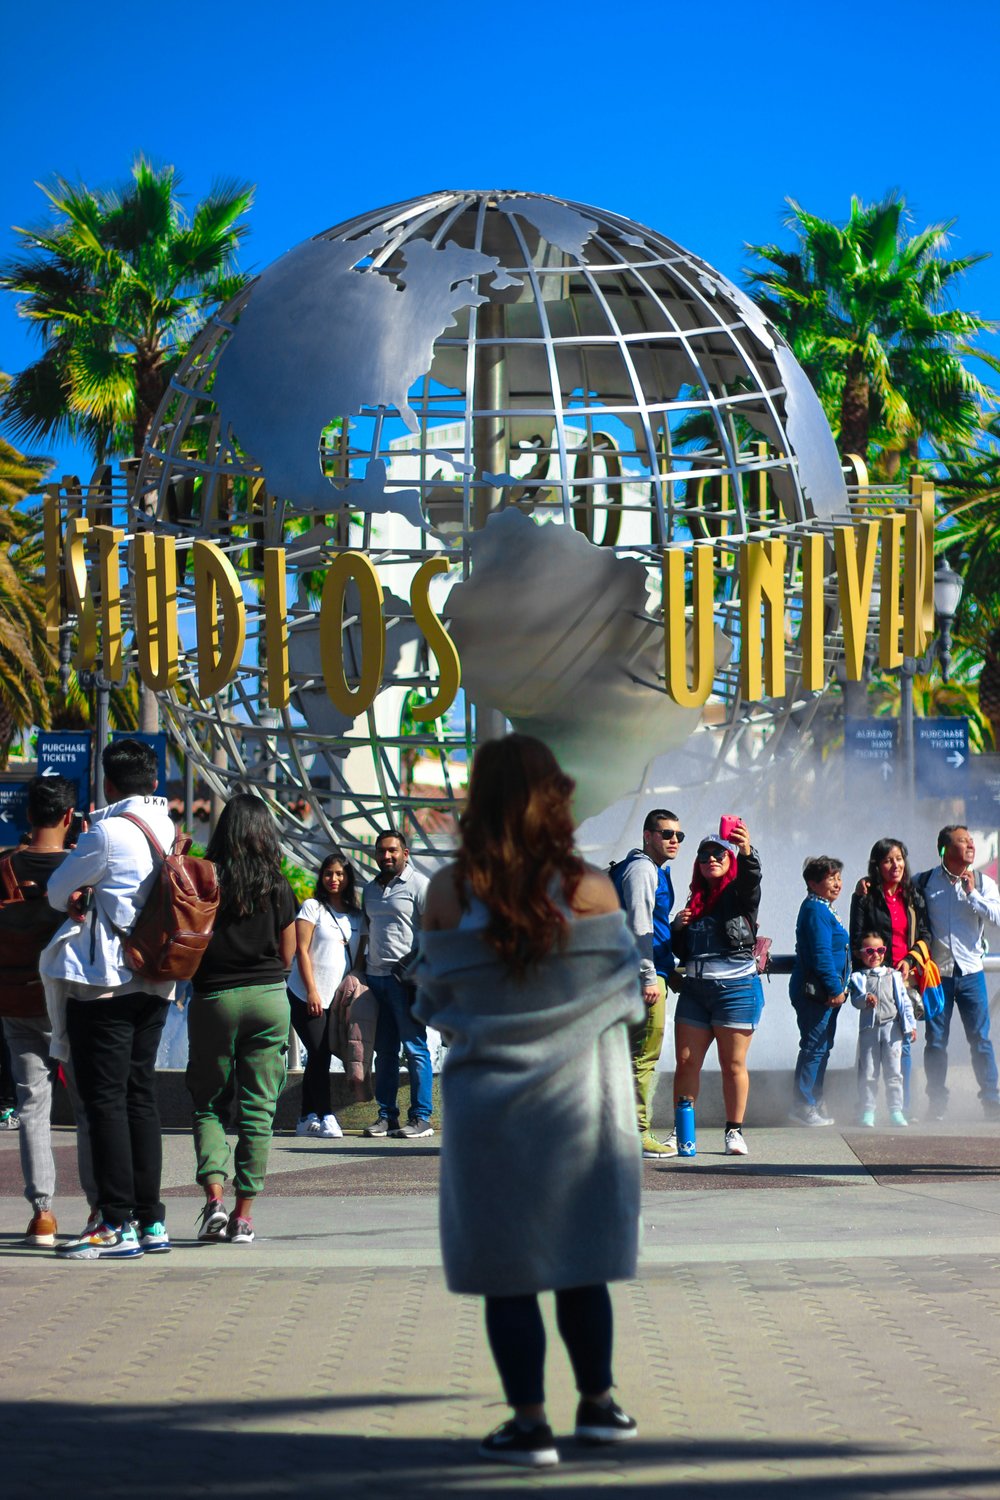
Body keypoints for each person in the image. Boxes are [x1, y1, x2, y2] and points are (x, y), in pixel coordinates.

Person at [415, 734, 642, 1468]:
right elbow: (630, 1000)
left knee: (506, 1272)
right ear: (555, 797)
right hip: (582, 1108)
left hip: (491, 1112)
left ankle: (529, 1423)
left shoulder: (448, 894)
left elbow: (431, 999)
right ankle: (599, 1406)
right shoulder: (595, 891)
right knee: (582, 1261)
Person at [41, 739, 176, 1260]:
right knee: (141, 1098)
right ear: (155, 782)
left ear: (110, 785)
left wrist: (83, 892)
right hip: (158, 982)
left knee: (105, 1101)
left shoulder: (107, 832)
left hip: (107, 984)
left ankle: (113, 1224)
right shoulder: (168, 828)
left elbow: (57, 890)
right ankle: (152, 1222)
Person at [187, 794, 297, 1246]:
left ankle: (213, 1199)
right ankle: (243, 1216)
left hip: (214, 997)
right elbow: (289, 954)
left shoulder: (205, 880)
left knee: (209, 1102)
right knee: (259, 1111)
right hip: (269, 999)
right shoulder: (278, 885)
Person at [0, 776, 97, 1244]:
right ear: (68, 817)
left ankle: (43, 1213)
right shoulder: (80, 869)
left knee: (32, 1105)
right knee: (86, 1104)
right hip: (71, 998)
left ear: (28, 815)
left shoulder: (4, 868)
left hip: (16, 996)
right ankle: (101, 1207)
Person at [670, 819, 764, 1157]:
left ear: (730, 860)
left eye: (719, 854)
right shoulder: (693, 902)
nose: (711, 858)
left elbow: (752, 879)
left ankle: (734, 1131)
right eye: (704, 854)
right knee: (685, 1061)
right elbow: (682, 950)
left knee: (732, 1063)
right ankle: (682, 1131)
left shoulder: (739, 894)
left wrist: (746, 850)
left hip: (736, 989)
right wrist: (676, 928)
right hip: (695, 990)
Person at [914, 825, 1000, 1120]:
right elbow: (893, 896)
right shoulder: (924, 882)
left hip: (972, 973)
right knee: (935, 1041)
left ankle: (991, 1101)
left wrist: (972, 894)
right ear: (944, 849)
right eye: (963, 841)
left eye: (971, 841)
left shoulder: (983, 883)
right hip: (937, 976)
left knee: (981, 1039)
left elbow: (997, 919)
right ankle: (937, 1103)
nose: (970, 845)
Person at [611, 808, 683, 1159]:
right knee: (643, 1055)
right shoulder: (642, 870)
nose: (674, 841)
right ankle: (637, 1134)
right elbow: (641, 926)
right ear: (647, 835)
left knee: (627, 1055)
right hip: (640, 977)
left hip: (629, 974)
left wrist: (676, 926)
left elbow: (651, 923)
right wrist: (649, 976)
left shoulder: (647, 869)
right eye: (666, 834)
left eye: (678, 836)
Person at [849, 838, 930, 1113]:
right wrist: (868, 969)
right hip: (874, 978)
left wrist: (909, 960)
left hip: (903, 977)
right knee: (870, 1044)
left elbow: (926, 935)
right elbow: (856, 937)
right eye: (887, 860)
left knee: (902, 1042)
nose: (895, 865)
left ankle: (900, 1108)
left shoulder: (913, 894)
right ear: (877, 865)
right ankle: (866, 1108)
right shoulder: (865, 895)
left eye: (898, 858)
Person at [360, 829, 432, 1139]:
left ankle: (421, 1117)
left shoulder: (420, 885)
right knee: (384, 1053)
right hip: (376, 979)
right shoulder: (369, 890)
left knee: (415, 1049)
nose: (386, 856)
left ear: (405, 853)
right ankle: (387, 1115)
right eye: (381, 851)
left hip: (406, 982)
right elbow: (367, 931)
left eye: (392, 850)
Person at [287, 849, 362, 1139]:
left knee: (320, 1055)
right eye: (329, 873)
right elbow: (301, 950)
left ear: (348, 878)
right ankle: (327, 1115)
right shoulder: (311, 907)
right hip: (306, 995)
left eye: (340, 874)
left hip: (338, 999)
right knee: (319, 1053)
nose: (334, 879)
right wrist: (312, 991)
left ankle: (306, 1117)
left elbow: (359, 958)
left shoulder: (356, 915)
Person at [788, 856, 850, 1126]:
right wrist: (836, 988)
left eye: (838, 877)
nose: (837, 883)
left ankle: (813, 1099)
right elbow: (821, 954)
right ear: (813, 883)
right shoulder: (815, 911)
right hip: (817, 993)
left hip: (824, 994)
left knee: (821, 1047)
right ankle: (803, 1104)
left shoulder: (823, 907)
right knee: (814, 1047)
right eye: (830, 878)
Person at [849, 930, 917, 1127]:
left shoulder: (893, 975)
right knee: (869, 1072)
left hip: (892, 1028)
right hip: (869, 1029)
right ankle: (868, 1110)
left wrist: (910, 1026)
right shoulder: (859, 977)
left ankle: (896, 1110)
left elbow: (903, 1002)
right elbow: (855, 1001)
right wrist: (864, 999)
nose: (875, 955)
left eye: (880, 950)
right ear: (862, 954)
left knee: (894, 1072)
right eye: (869, 950)